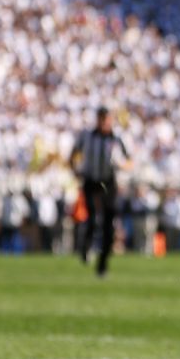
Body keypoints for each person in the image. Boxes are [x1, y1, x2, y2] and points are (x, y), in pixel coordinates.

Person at [70, 106, 128, 277]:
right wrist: (76, 170)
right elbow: (73, 154)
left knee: (109, 226)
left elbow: (129, 160)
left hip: (109, 183)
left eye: (106, 119)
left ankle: (102, 265)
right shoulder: (87, 136)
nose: (104, 122)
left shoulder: (117, 138)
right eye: (101, 119)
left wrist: (121, 164)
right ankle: (86, 247)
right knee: (93, 217)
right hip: (91, 181)